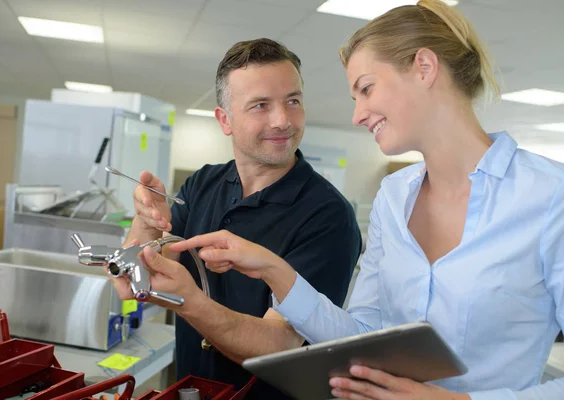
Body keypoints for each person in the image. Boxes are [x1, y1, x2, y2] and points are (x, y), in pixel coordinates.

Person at [169, 1, 564, 399]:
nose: (357, 114)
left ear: (424, 68)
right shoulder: (394, 196)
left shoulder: (549, 196)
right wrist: (276, 271)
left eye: (366, 89)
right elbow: (360, 336)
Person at [113, 38, 362, 399]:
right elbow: (149, 272)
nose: (282, 120)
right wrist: (147, 222)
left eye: (293, 101)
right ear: (225, 120)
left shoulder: (328, 216)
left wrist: (192, 303)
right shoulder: (203, 183)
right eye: (260, 105)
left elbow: (280, 344)